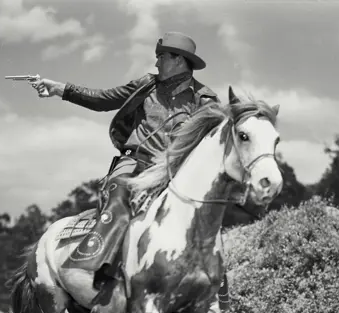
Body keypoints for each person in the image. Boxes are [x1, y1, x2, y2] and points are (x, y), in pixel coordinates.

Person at [29, 32, 220, 296]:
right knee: (117, 192)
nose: (156, 64)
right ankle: (97, 267)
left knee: (205, 213)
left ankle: (215, 287)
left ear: (178, 60)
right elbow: (103, 99)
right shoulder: (145, 85)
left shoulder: (206, 101)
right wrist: (60, 89)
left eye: (161, 58)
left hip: (177, 173)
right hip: (135, 163)